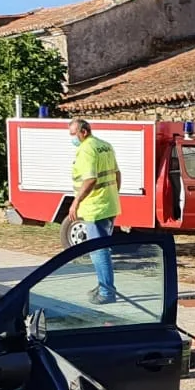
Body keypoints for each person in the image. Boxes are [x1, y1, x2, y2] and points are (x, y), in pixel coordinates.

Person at [64, 118, 121, 305]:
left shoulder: (86, 149)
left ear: (84, 132)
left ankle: (106, 292)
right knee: (102, 249)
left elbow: (90, 179)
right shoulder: (105, 146)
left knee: (98, 251)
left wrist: (75, 202)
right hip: (109, 204)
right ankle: (104, 285)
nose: (72, 138)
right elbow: (117, 174)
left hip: (95, 208)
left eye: (74, 134)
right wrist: (113, 194)